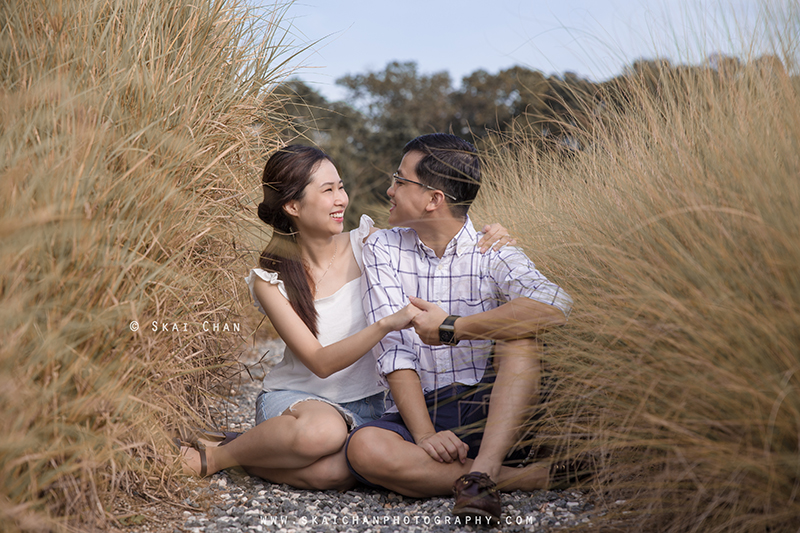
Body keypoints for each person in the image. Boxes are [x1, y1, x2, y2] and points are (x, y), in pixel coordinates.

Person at [178, 145, 512, 490]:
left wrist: (488, 236)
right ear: (293, 206)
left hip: (366, 407)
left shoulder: (369, 243)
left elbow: (434, 234)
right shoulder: (270, 280)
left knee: (336, 474)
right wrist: (385, 324)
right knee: (323, 432)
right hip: (296, 401)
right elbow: (320, 363)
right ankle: (217, 457)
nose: (342, 199)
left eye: (340, 187)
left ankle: (250, 449)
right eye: (328, 191)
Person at [345, 133, 583, 523]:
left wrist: (454, 327)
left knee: (519, 335)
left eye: (400, 181)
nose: (390, 189)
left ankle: (484, 471)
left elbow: (555, 303)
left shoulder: (491, 249)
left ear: (433, 198)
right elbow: (395, 348)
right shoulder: (383, 247)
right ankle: (521, 479)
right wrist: (424, 435)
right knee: (365, 449)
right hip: (422, 408)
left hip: (492, 409)